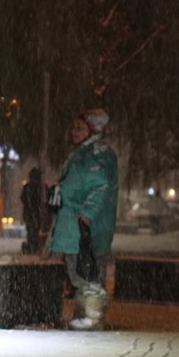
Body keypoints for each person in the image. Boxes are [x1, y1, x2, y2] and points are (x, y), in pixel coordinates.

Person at [46, 108, 118, 331]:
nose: (74, 132)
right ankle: (83, 315)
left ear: (92, 130)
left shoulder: (95, 155)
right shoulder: (83, 154)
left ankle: (91, 318)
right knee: (79, 272)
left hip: (83, 227)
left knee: (87, 273)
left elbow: (101, 186)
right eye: (73, 128)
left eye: (79, 128)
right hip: (74, 226)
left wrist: (87, 214)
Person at [20, 167, 48, 255]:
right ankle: (34, 248)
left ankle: (33, 248)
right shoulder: (40, 188)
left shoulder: (28, 187)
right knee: (34, 231)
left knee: (32, 232)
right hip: (34, 214)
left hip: (32, 214)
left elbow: (23, 199)